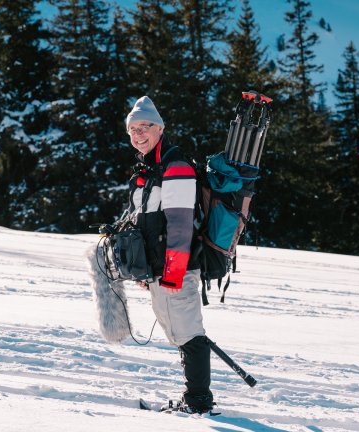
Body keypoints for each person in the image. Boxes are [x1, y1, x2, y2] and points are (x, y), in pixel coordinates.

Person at [123, 95, 214, 414]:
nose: (138, 134)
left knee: (189, 333)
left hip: (179, 269)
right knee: (176, 331)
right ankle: (194, 398)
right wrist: (145, 269)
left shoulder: (175, 167)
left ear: (159, 128)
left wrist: (173, 272)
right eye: (132, 129)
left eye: (144, 126)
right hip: (159, 270)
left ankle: (200, 403)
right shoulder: (148, 168)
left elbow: (179, 224)